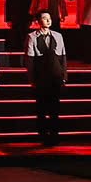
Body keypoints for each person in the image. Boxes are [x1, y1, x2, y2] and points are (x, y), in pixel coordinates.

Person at [26, 15, 67, 146]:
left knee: (55, 109)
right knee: (41, 108)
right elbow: (30, 60)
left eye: (49, 18)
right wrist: (32, 79)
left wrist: (64, 76)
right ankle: (43, 135)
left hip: (55, 76)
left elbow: (63, 57)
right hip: (41, 77)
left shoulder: (58, 36)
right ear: (38, 21)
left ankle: (54, 135)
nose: (48, 20)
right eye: (45, 18)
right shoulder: (32, 36)